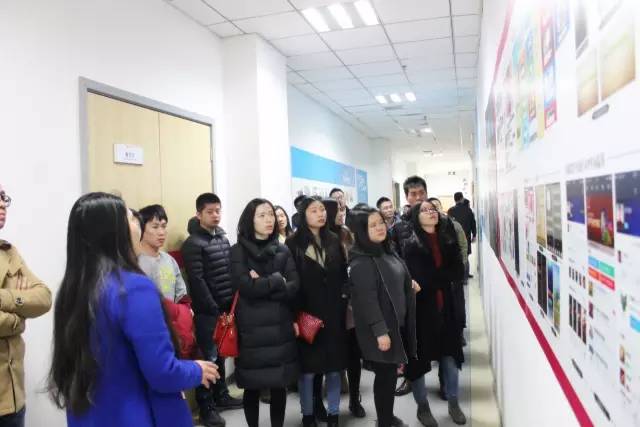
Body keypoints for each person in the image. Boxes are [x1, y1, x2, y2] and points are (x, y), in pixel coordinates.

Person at [48, 192, 220, 427]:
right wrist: (196, 370)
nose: (137, 221)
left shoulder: (73, 290)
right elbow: (162, 372)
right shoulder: (133, 288)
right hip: (136, 414)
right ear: (113, 232)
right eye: (130, 217)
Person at [230, 199, 300, 427]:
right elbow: (245, 287)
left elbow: (294, 286)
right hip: (251, 329)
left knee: (279, 385)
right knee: (252, 386)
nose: (269, 219)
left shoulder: (283, 249)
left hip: (280, 327)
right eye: (262, 215)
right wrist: (278, 281)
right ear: (249, 220)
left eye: (270, 214)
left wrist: (263, 282)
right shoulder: (238, 251)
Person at [348, 207, 417, 427]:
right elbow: (367, 300)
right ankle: (385, 421)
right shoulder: (361, 262)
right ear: (361, 231)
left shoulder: (386, 250)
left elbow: (396, 275)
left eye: (380, 222)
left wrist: (409, 283)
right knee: (385, 376)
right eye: (373, 225)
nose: (380, 227)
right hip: (380, 329)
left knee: (389, 375)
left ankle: (387, 416)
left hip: (395, 323)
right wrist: (380, 332)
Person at [402, 200, 467, 426]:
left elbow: (458, 270)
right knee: (418, 363)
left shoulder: (447, 239)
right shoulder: (411, 245)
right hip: (421, 312)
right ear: (416, 217)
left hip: (446, 309)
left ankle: (454, 403)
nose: (431, 213)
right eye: (425, 210)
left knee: (451, 358)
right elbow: (419, 278)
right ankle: (423, 408)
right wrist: (441, 277)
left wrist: (435, 278)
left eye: (433, 209)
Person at [286, 197, 349, 427]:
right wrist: (294, 315)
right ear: (303, 215)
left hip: (333, 313)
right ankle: (308, 415)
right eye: (314, 210)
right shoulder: (293, 244)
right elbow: (291, 283)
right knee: (308, 371)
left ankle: (333, 415)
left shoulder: (334, 239)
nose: (321, 214)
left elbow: (342, 274)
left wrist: (344, 297)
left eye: (322, 210)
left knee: (333, 367)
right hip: (307, 314)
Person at [181, 193, 242, 427]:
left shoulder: (222, 239)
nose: (215, 215)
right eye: (210, 212)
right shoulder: (193, 244)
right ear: (199, 214)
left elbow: (229, 271)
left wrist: (231, 304)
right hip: (208, 312)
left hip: (227, 307)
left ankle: (222, 395)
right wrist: (214, 308)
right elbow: (197, 281)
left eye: (218, 210)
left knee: (222, 352)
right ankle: (206, 408)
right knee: (208, 356)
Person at [0, 185, 51, 427]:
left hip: (13, 397)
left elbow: (44, 297)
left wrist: (6, 299)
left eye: (3, 198)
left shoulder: (9, 253)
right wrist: (17, 320)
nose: (2, 204)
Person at [323, 198, 364, 417]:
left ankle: (355, 399)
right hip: (330, 306)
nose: (342, 213)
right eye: (338, 210)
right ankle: (327, 406)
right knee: (331, 357)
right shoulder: (319, 239)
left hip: (350, 306)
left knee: (354, 355)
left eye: (342, 210)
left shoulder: (347, 234)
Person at [138, 204, 197, 359]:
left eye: (164, 226)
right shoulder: (135, 263)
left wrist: (183, 315)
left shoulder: (169, 260)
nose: (161, 232)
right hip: (149, 330)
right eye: (155, 226)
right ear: (141, 229)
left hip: (174, 328)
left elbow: (181, 293)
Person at [389, 176, 428, 396]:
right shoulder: (398, 227)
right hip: (408, 291)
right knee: (409, 338)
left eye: (421, 192)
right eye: (413, 194)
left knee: (433, 334)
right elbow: (392, 257)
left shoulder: (437, 221)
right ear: (407, 197)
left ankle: (443, 380)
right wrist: (405, 280)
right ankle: (410, 378)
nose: (418, 197)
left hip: (432, 289)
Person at [447, 193, 477, 277]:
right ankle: (465, 276)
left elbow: (448, 225)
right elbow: (473, 223)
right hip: (466, 237)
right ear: (462, 199)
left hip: (453, 238)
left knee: (455, 256)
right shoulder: (468, 210)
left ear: (454, 199)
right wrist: (474, 235)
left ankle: (458, 276)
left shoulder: (450, 210)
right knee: (465, 256)